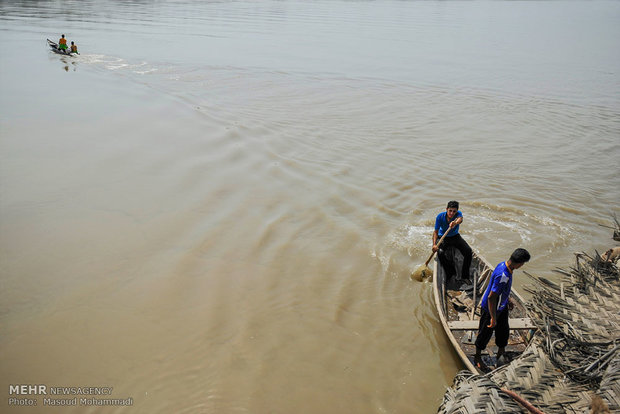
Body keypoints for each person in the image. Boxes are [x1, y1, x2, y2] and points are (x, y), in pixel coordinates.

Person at [474, 248, 531, 370]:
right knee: (485, 333)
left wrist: (508, 299)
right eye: (523, 263)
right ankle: (477, 357)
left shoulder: (503, 265)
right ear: (520, 263)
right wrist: (493, 318)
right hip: (491, 309)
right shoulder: (503, 275)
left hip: (501, 306)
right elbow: (491, 297)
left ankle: (501, 353)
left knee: (504, 331)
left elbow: (501, 289)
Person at [432, 200, 472, 280]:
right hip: (443, 237)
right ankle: (451, 272)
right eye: (450, 211)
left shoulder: (458, 214)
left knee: (468, 251)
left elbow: (460, 219)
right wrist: (434, 245)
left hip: (455, 236)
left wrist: (455, 223)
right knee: (440, 253)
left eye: (454, 211)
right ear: (446, 209)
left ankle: (465, 276)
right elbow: (435, 232)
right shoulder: (440, 216)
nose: (452, 213)